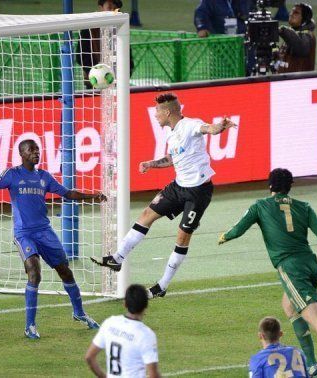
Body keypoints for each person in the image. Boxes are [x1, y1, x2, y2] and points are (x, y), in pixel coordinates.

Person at [218, 168, 317, 378]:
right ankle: (311, 365)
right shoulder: (304, 207)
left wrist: (225, 236)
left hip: (290, 267)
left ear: (270, 186)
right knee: (288, 305)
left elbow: (238, 229)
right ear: (290, 186)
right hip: (310, 264)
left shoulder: (261, 205)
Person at [92, 92, 236, 298]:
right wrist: (152, 164)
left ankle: (162, 285)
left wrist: (219, 127)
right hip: (178, 186)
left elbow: (208, 128)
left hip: (198, 192)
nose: (155, 115)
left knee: (182, 236)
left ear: (168, 112)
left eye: (157, 112)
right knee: (145, 216)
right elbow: (173, 158)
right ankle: (117, 258)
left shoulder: (190, 125)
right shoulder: (172, 132)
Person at [0, 139, 106, 339]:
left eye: (37, 149)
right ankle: (29, 326)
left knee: (65, 271)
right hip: (24, 234)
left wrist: (93, 196)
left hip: (44, 232)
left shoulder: (44, 177)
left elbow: (68, 194)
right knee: (34, 272)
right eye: (31, 150)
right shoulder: (12, 174)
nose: (36, 153)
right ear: (22, 154)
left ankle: (79, 312)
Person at [85, 284, 161, 378]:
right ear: (146, 306)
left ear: (125, 304)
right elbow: (153, 375)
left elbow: (89, 357)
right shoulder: (146, 335)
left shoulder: (110, 323)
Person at [76, 0, 134, 89]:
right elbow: (81, 56)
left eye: (115, 8)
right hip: (94, 81)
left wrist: (125, 74)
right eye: (110, 7)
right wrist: (96, 73)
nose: (113, 11)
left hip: (117, 82)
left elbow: (128, 57)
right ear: (101, 8)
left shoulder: (120, 29)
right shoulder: (89, 27)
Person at [277, 2, 316, 73]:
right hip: (285, 80)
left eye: (296, 13)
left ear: (304, 18)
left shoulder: (307, 36)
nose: (291, 14)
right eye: (291, 11)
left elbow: (301, 48)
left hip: (298, 81)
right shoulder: (293, 33)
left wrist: (283, 30)